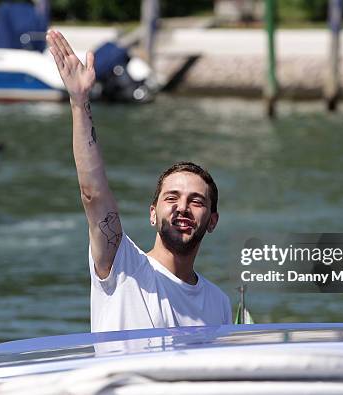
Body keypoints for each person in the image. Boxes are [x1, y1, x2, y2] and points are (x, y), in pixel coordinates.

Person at [46, 30, 232, 332]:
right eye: (170, 198)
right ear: (152, 212)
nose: (181, 208)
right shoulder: (123, 266)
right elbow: (93, 194)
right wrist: (80, 102)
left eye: (195, 201)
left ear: (212, 221)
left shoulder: (219, 303)